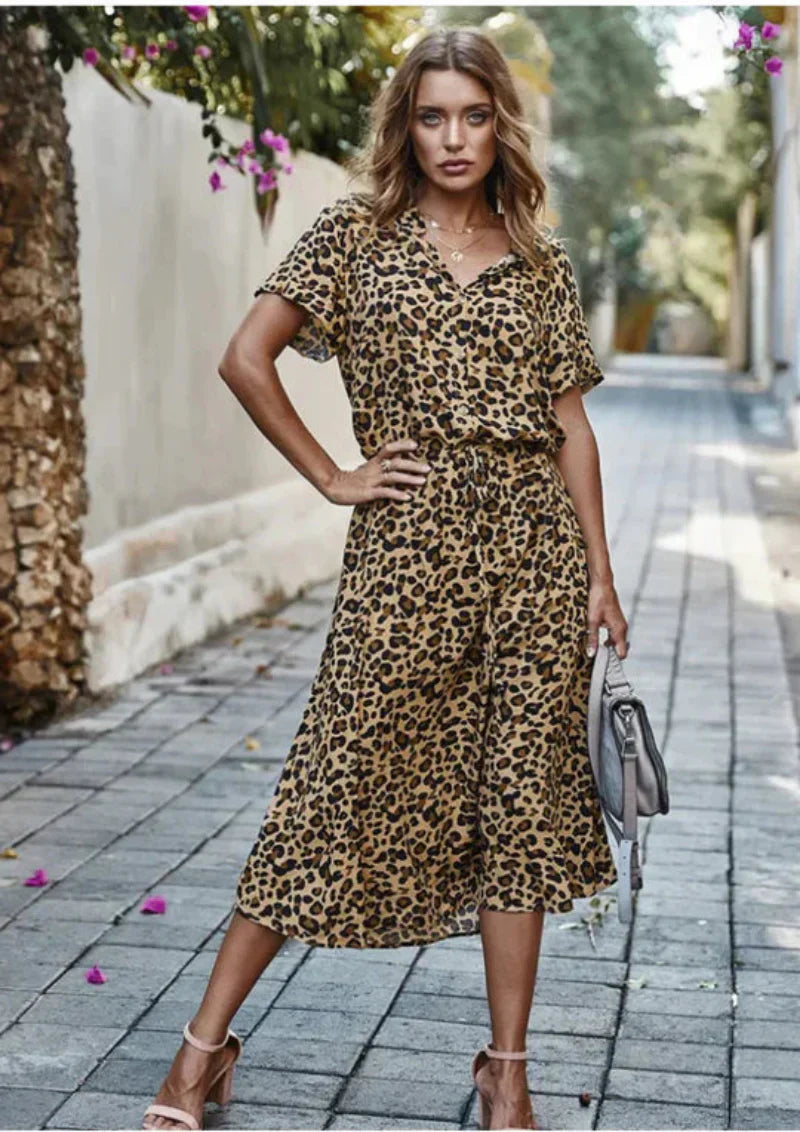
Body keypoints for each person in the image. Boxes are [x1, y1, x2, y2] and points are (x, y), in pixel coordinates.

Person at [143, 23, 629, 1132]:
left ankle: (507, 1073)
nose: (452, 138)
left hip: (535, 561)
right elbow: (244, 357)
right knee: (328, 788)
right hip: (405, 560)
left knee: (520, 809)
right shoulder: (353, 237)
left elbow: (570, 427)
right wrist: (332, 474)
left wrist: (600, 574)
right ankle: (199, 1054)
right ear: (404, 126)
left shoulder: (539, 259)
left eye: (472, 116)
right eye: (431, 116)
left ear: (498, 125)